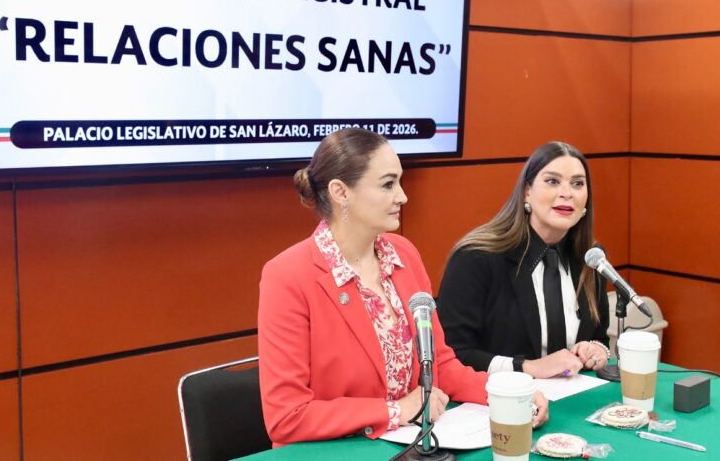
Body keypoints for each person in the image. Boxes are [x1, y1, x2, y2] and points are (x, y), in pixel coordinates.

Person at [257, 128, 549, 447]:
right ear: (340, 192)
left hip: (409, 445)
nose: (402, 196)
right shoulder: (287, 276)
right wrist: (395, 411)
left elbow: (439, 366)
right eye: (387, 184)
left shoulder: (403, 254)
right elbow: (287, 417)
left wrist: (504, 394)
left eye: (399, 182)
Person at [437, 141, 611, 379]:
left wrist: (596, 350)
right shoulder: (475, 257)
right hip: (497, 397)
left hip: (572, 393)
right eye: (553, 181)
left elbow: (598, 336)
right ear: (527, 190)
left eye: (577, 183)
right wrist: (527, 367)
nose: (567, 193)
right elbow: (453, 354)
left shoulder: (591, 258)